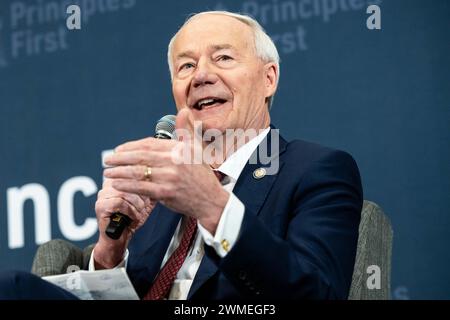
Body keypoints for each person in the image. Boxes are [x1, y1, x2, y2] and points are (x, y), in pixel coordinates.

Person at [0, 11, 362, 300]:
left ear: (268, 79)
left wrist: (211, 204)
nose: (201, 75)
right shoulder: (160, 193)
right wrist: (110, 250)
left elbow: (317, 293)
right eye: (186, 66)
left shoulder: (314, 170)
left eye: (223, 57)